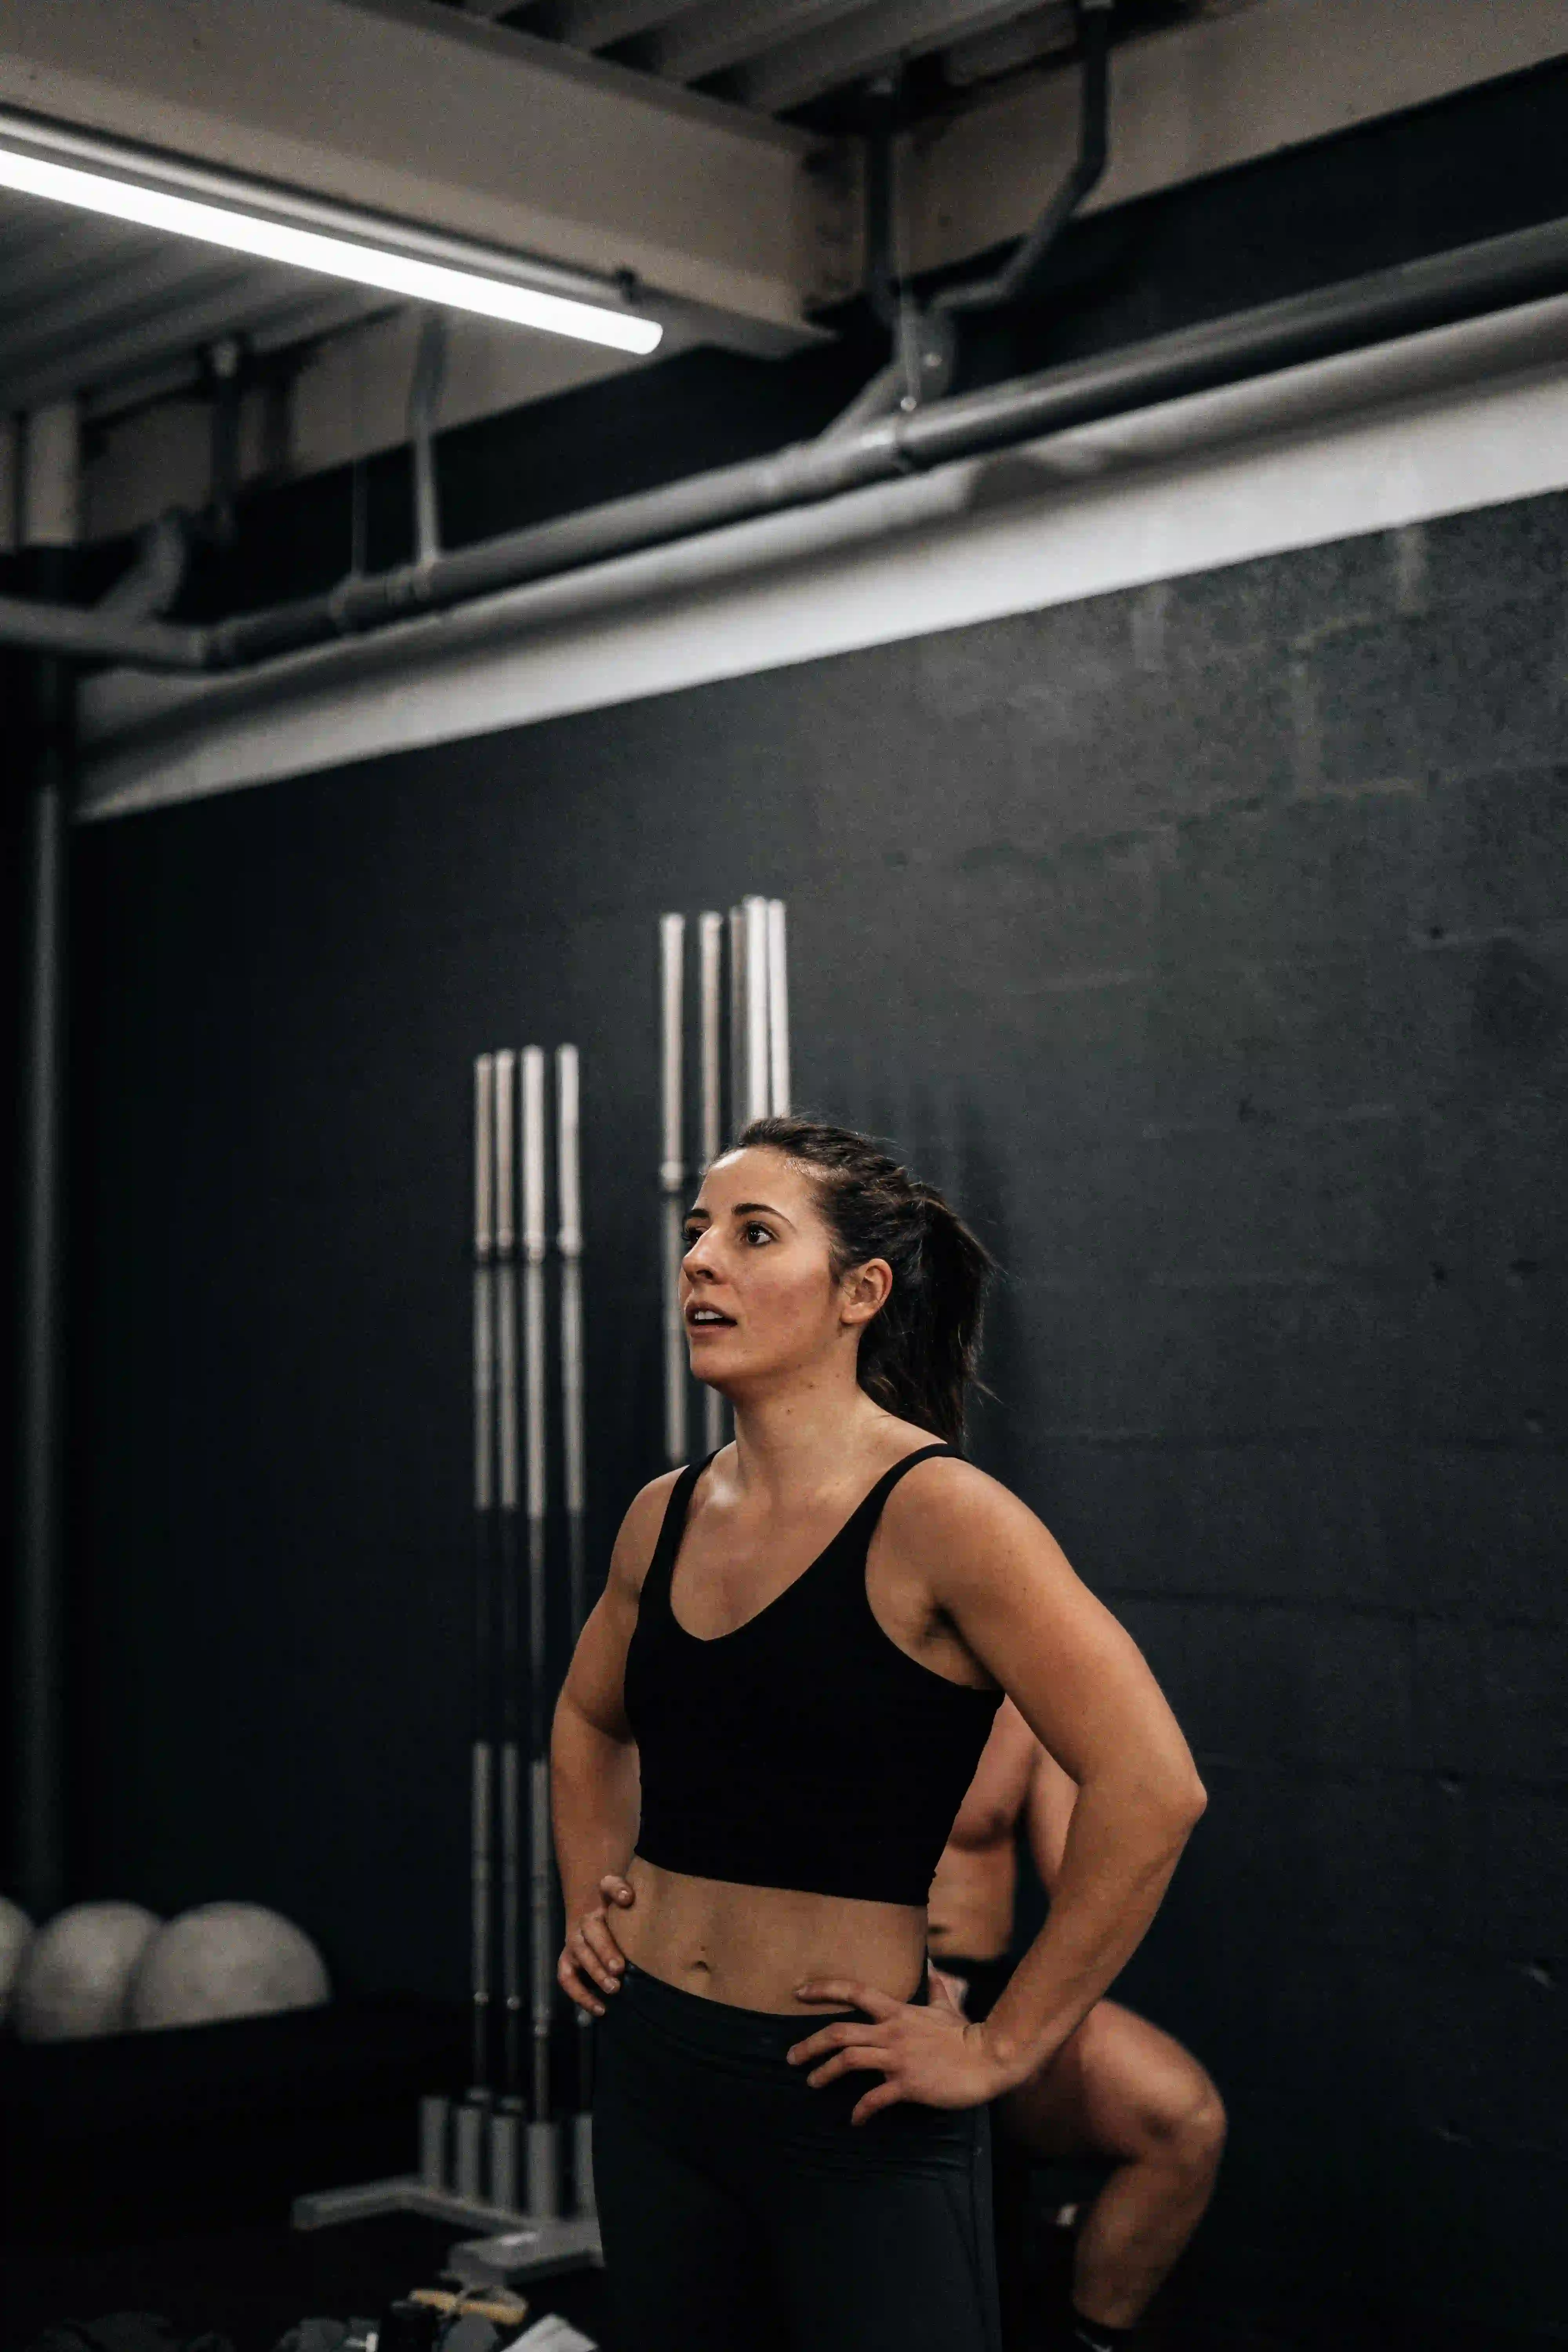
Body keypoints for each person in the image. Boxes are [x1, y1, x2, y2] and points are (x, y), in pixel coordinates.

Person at [550, 1117, 1208, 2352]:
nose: (701, 1261)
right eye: (697, 1233)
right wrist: (590, 1886)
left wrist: (1005, 2046)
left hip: (846, 2091)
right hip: (654, 2073)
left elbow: (1153, 1786)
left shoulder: (945, 1514)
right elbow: (589, 1720)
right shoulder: (666, 1513)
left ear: (861, 1291)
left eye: (753, 1235)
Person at [929, 1701, 1227, 2351]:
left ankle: (1082, 2337)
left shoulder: (1026, 1691)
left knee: (1182, 2122)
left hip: (985, 1990)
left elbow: (1078, 1878)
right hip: (860, 1980)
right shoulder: (835, 1652)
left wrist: (1124, 1776)